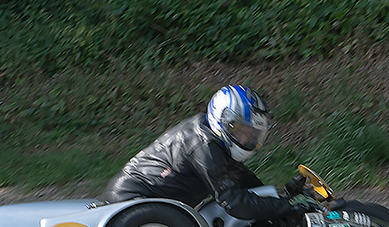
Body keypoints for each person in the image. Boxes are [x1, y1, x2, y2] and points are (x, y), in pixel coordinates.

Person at [102, 84, 306, 220]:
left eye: (252, 134)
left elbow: (251, 188)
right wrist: (287, 208)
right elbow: (235, 203)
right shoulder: (202, 144)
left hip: (153, 205)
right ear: (224, 121)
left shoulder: (216, 143)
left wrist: (283, 201)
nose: (246, 140)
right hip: (130, 200)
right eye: (242, 131)